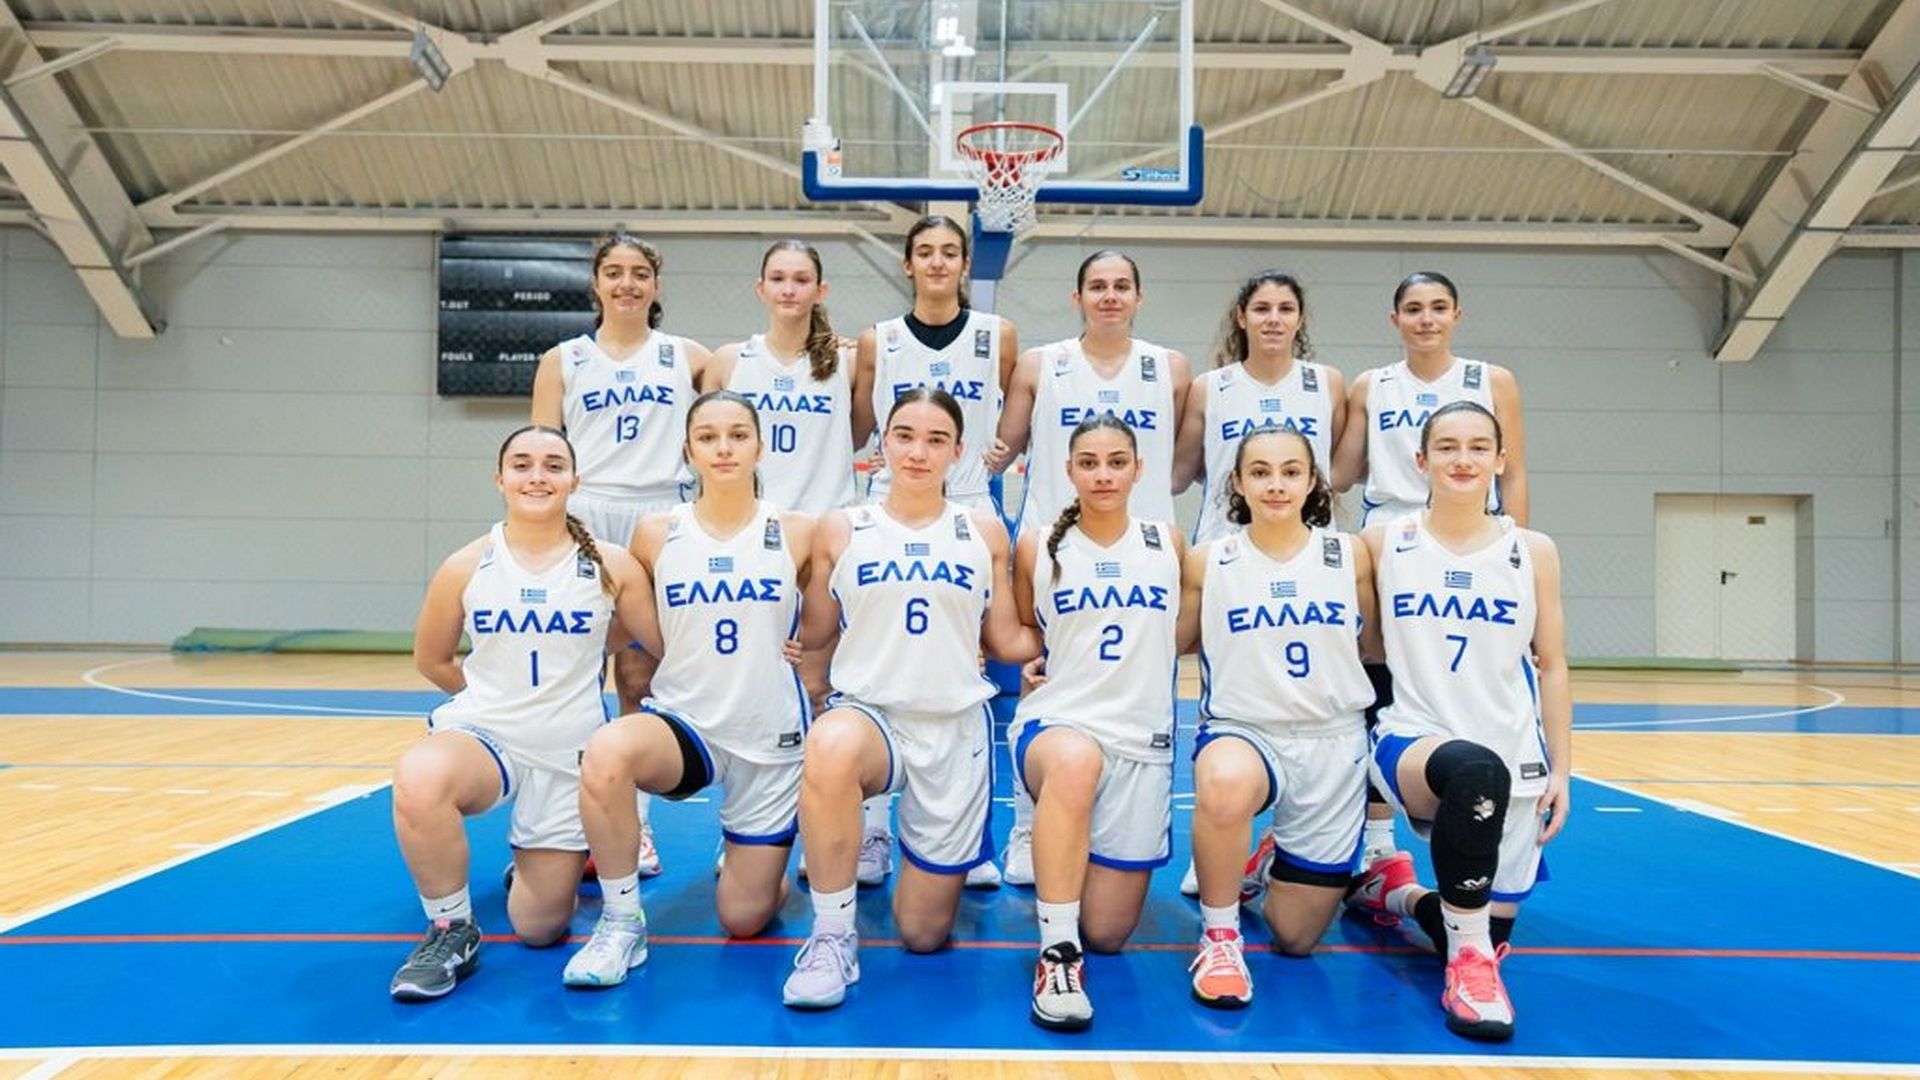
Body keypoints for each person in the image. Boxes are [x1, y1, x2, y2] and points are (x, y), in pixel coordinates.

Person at [780, 388, 1042, 1010]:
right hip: (870, 716)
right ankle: (832, 935)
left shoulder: (983, 531)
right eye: (904, 436)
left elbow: (1004, 637)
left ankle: (913, 855)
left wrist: (1067, 645)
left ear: (957, 452)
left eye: (935, 440)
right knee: (830, 744)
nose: (918, 452)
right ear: (883, 444)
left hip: (952, 725)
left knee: (923, 934)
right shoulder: (842, 527)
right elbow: (814, 631)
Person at [390, 425, 657, 1001]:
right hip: (488, 736)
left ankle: (543, 863)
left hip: (569, 751)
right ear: (500, 479)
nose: (538, 476)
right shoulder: (466, 565)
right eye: (522, 465)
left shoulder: (612, 565)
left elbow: (659, 641)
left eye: (554, 466)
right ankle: (451, 929)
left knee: (539, 927)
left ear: (575, 481)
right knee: (419, 775)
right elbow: (431, 658)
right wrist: (493, 695)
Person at [561, 391, 815, 987]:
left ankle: (760, 863)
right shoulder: (656, 533)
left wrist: (810, 648)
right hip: (687, 723)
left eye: (737, 435)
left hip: (769, 732)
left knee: (743, 917)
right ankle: (621, 922)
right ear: (688, 450)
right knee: (607, 751)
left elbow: (833, 615)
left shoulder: (799, 530)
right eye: (708, 437)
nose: (723, 448)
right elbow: (631, 627)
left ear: (760, 445)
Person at [1349, 401, 1569, 1042]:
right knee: (1475, 772)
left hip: (1512, 747)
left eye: (1478, 447)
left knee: (1478, 927)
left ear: (1500, 460)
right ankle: (1468, 968)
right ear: (1421, 460)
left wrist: (1562, 769)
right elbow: (1362, 648)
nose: (1463, 459)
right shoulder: (1384, 542)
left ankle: (1391, 893)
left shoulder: (1533, 551)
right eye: (1447, 447)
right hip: (1414, 740)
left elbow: (1553, 665)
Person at [988, 250, 1191, 888]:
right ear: (1076, 298)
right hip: (1057, 546)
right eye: (1097, 286)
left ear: (1139, 297)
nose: (1110, 296)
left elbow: (1186, 461)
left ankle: (1122, 824)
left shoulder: (1170, 368)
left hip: (1141, 551)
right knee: (1042, 676)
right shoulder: (1041, 364)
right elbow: (999, 450)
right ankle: (1028, 826)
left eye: (1121, 286)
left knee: (1142, 693)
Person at [700, 241, 887, 887]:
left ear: (820, 290)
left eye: (801, 279)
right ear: (760, 289)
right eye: (777, 278)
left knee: (829, 684)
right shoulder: (732, 360)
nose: (788, 289)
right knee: (757, 686)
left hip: (830, 531)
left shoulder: (848, 362)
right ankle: (753, 827)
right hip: (755, 536)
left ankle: (844, 830)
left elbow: (860, 433)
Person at [1331, 271, 1530, 878]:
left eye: (1438, 307)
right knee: (1378, 677)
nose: (1426, 319)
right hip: (1395, 540)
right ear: (1395, 319)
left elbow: (1516, 471)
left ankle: (1492, 814)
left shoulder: (1491, 381)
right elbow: (1341, 473)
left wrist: (1514, 550)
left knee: (1474, 682)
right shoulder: (1372, 385)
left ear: (1457, 315)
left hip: (1473, 540)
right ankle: (1376, 839)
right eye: (1414, 308)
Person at [531, 233, 712, 877]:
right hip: (586, 511)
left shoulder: (688, 358)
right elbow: (541, 452)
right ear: (596, 283)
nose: (627, 283)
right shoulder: (563, 360)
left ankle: (635, 830)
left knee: (638, 678)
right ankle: (563, 825)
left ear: (655, 285)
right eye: (614, 272)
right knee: (573, 677)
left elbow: (750, 391)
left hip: (658, 514)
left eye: (639, 273)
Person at [851, 213, 1021, 890]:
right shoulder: (880, 340)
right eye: (925, 251)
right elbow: (858, 425)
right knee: (877, 662)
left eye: (951, 252)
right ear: (908, 263)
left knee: (965, 670)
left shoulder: (997, 335)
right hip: (892, 504)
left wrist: (1005, 451)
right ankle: (871, 830)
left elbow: (1014, 415)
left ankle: (970, 837)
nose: (938, 262)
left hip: (970, 502)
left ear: (965, 263)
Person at [1183, 428, 1378, 1010]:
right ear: (1238, 482)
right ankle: (1220, 938)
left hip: (1333, 738)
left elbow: (1379, 647)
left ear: (1312, 480)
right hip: (1244, 731)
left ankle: (1268, 857)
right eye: (1261, 472)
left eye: (1291, 472)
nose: (1276, 484)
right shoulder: (1209, 561)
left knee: (1295, 937)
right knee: (1224, 783)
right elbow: (1163, 642)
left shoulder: (1350, 555)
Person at [1005, 415, 1182, 1030]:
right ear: (1069, 470)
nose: (1103, 474)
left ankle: (1064, 855)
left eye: (1116, 462)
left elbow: (1185, 631)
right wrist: (1031, 662)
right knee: (1075, 762)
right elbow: (1022, 630)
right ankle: (1057, 953)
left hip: (1140, 739)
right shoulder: (1039, 547)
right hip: (1059, 724)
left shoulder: (1167, 543)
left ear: (1138, 469)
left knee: (1107, 931)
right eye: (1088, 462)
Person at [1173, 270, 1345, 546]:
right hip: (1225, 540)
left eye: (1286, 309)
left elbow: (1333, 464)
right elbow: (1184, 472)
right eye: (1262, 309)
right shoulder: (1208, 388)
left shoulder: (1328, 383)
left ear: (1300, 319)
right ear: (1241, 317)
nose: (1273, 319)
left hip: (1310, 542)